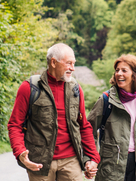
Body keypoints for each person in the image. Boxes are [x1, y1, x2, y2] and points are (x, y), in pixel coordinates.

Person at [8, 43, 100, 181]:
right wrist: (20, 152)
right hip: (39, 162)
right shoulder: (29, 87)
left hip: (71, 161)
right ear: (53, 62)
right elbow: (15, 125)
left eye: (74, 63)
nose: (72, 68)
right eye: (69, 63)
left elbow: (83, 125)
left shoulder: (76, 89)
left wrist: (93, 157)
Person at [88, 54, 136, 181]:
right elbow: (88, 130)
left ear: (135, 75)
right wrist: (92, 159)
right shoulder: (106, 100)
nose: (119, 74)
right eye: (117, 70)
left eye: (124, 70)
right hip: (111, 167)